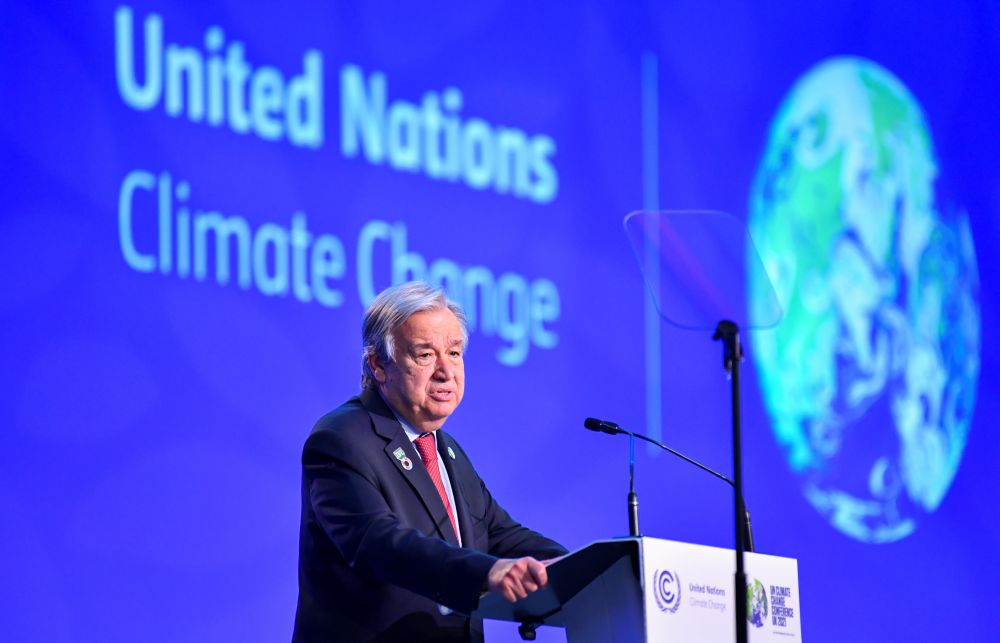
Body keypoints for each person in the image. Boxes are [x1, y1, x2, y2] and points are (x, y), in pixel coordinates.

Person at [293, 281, 567, 643]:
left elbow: (499, 534)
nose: (445, 371)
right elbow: (379, 543)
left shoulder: (445, 450)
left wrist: (587, 569)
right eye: (425, 355)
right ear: (378, 364)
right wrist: (486, 574)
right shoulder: (341, 438)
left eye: (453, 353)